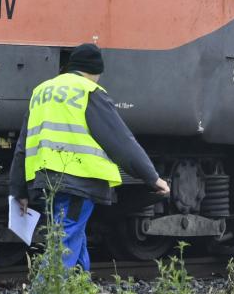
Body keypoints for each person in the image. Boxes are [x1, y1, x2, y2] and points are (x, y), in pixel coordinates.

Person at [10, 44, 170, 272]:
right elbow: (120, 140)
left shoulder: (41, 92)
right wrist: (152, 178)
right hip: (78, 182)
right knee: (65, 243)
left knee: (74, 236)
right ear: (95, 71)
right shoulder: (88, 91)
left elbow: (22, 146)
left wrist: (19, 190)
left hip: (44, 182)